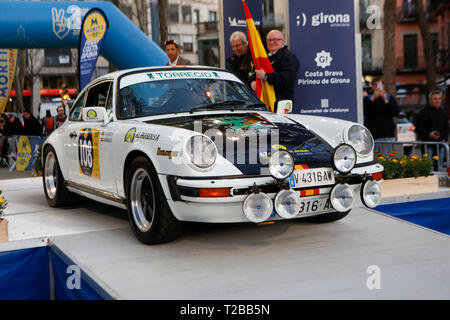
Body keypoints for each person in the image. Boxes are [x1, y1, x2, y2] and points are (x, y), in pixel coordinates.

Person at [251, 29, 299, 108]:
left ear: (283, 41)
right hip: (265, 103)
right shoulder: (265, 57)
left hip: (281, 103)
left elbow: (286, 80)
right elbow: (255, 73)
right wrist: (252, 82)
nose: (272, 42)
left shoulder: (288, 57)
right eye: (269, 40)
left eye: (276, 39)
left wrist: (266, 76)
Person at [363, 77, 400, 153]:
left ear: (383, 86)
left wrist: (385, 100)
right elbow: (364, 111)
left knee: (388, 159)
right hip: (372, 136)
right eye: (375, 85)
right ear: (372, 86)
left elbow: (395, 112)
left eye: (379, 85)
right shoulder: (368, 99)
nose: (377, 87)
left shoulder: (389, 98)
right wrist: (373, 97)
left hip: (387, 135)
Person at [414, 90, 449, 170]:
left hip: (440, 144)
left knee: (439, 168)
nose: (438, 101)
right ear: (430, 100)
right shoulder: (423, 112)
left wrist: (444, 138)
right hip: (427, 144)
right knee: (427, 168)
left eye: (439, 99)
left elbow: (446, 128)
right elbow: (418, 127)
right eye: (435, 99)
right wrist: (428, 134)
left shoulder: (443, 112)